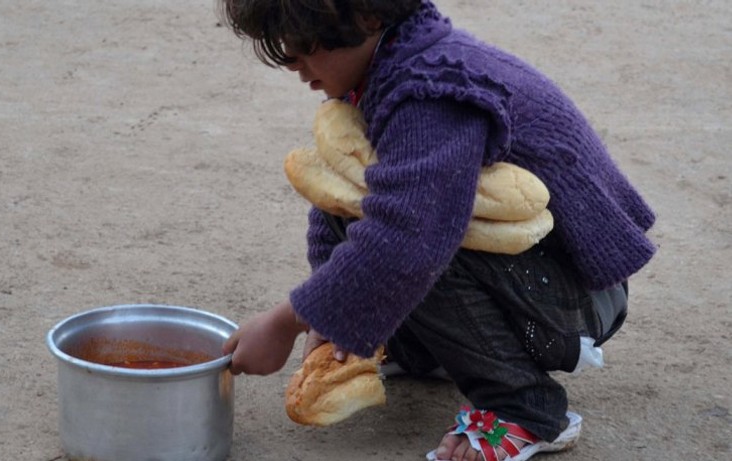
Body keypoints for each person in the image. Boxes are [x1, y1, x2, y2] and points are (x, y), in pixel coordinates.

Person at [218, 1, 656, 460]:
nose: (296, 65)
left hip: (572, 302)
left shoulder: (433, 92)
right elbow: (340, 201)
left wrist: (287, 320)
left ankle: (526, 408)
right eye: (287, 51)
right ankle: (420, 346)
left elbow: (411, 240)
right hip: (520, 275)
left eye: (305, 46)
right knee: (361, 197)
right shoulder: (382, 66)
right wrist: (337, 319)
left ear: (369, 18)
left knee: (415, 240)